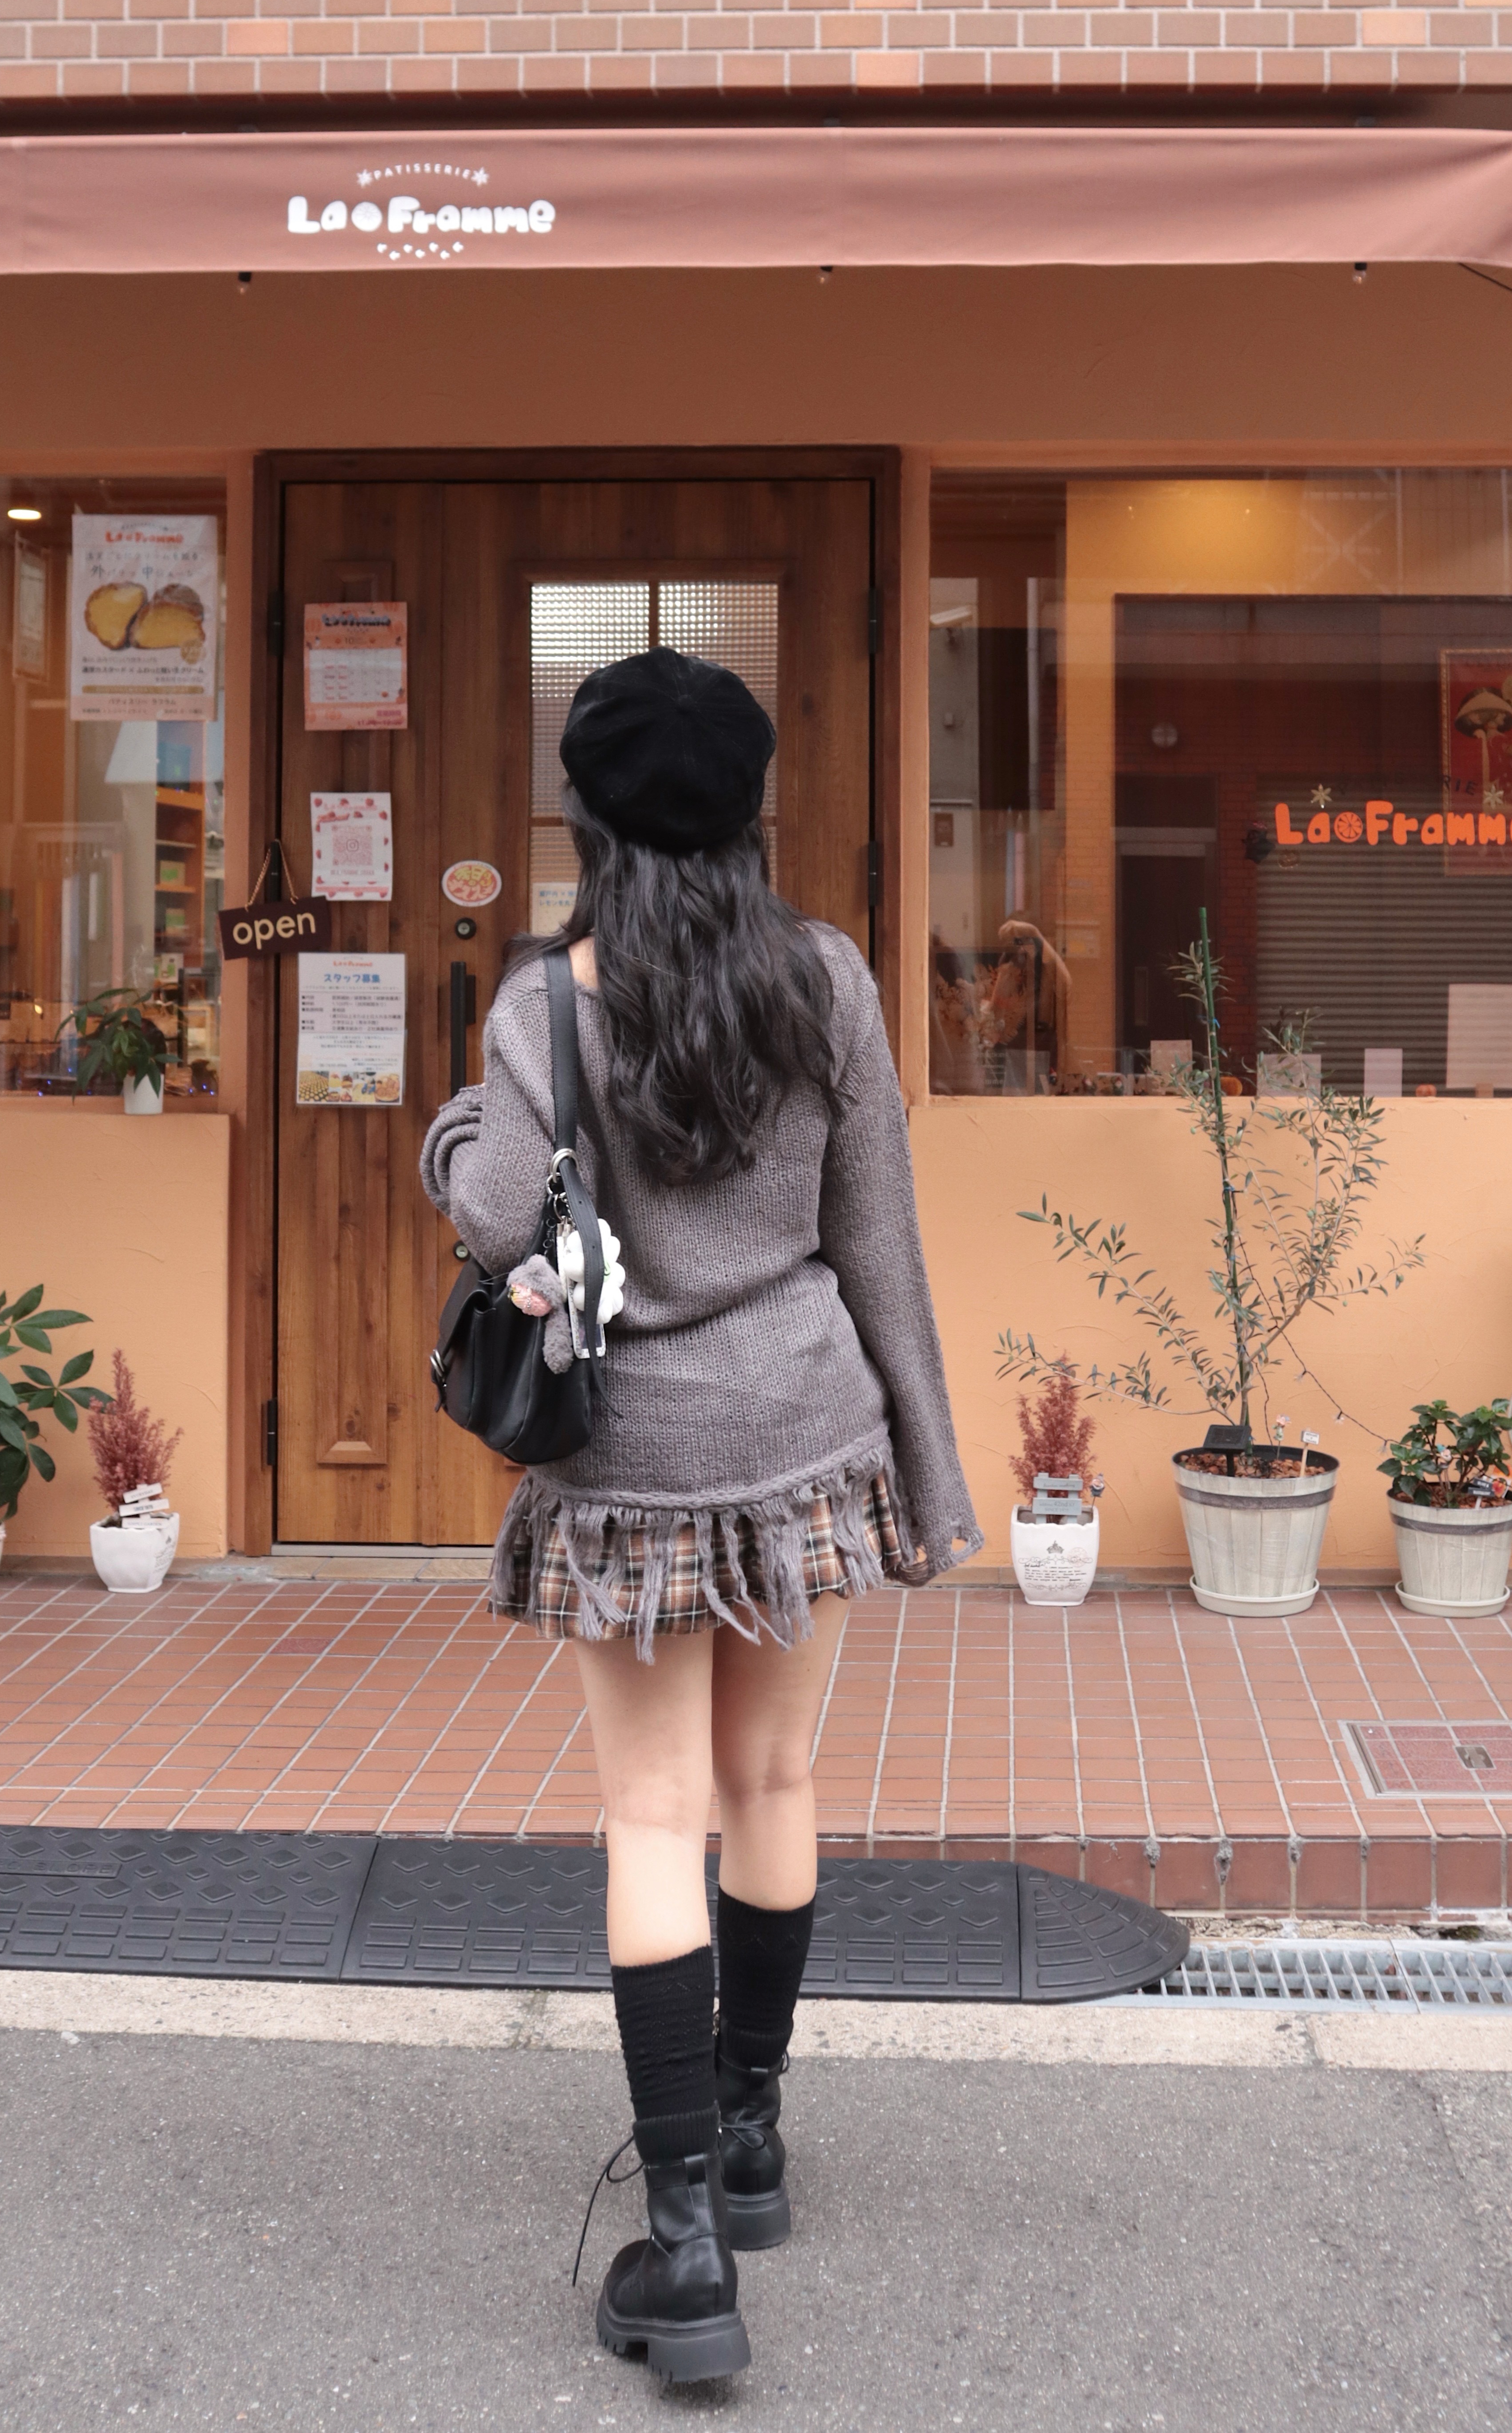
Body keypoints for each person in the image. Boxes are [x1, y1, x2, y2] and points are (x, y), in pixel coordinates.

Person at [420, 648, 980, 2386]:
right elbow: (875, 1233)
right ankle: (749, 2143)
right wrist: (931, 1473)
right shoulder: (828, 979)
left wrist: (454, 1134)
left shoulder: (545, 1002)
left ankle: (683, 2253)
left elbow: (497, 1218)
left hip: (634, 1461)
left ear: (583, 818)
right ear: (751, 811)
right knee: (775, 1782)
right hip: (806, 1431)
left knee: (653, 1808)